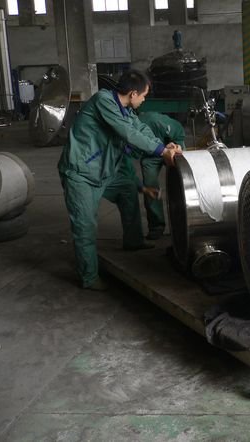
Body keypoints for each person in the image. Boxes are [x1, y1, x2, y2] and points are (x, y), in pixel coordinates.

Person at [57, 70, 182, 291]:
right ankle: (89, 277)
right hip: (81, 173)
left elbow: (139, 128)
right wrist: (162, 152)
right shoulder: (103, 101)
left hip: (104, 171)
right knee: (85, 226)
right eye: (144, 96)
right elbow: (127, 133)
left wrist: (165, 145)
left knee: (128, 191)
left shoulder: (125, 110)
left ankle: (133, 241)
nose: (144, 100)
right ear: (133, 94)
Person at [137, 111, 186, 240]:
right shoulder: (125, 135)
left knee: (182, 184)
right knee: (150, 187)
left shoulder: (154, 121)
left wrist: (178, 145)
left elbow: (178, 129)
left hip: (170, 149)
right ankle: (156, 226)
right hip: (150, 156)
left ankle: (185, 224)